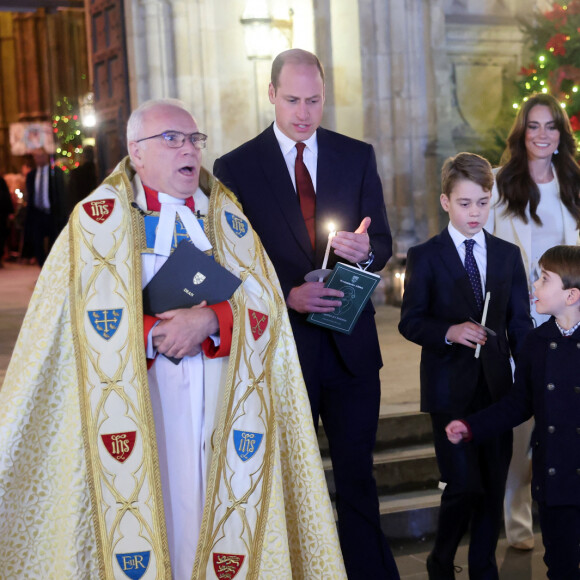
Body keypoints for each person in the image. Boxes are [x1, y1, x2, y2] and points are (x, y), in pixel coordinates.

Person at [0, 99, 346, 579]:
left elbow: (264, 304)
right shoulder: (95, 222)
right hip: (142, 403)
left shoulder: (227, 219)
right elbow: (65, 326)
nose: (189, 149)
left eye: (195, 139)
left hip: (220, 405)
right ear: (136, 153)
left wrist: (208, 323)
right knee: (156, 508)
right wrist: (154, 334)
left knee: (212, 508)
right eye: (173, 139)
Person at [214, 48, 398, 580]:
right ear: (270, 94)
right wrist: (287, 296)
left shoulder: (355, 155)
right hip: (284, 349)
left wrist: (367, 252)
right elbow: (230, 266)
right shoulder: (236, 168)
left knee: (358, 477)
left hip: (352, 350)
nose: (303, 111)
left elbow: (381, 239)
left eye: (314, 100)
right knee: (289, 477)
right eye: (292, 99)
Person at [398, 152, 533, 579]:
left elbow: (519, 323)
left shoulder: (509, 255)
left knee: (493, 486)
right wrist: (451, 331)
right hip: (447, 390)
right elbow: (410, 321)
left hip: (496, 389)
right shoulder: (425, 256)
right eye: (464, 203)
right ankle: (441, 557)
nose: (474, 213)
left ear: (491, 198)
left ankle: (482, 568)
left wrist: (532, 370)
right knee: (462, 484)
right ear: (445, 202)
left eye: (481, 202)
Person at [446, 244, 580, 579]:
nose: (533, 286)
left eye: (544, 280)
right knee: (561, 567)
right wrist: (470, 426)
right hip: (555, 481)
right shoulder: (536, 342)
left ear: (571, 295)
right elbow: (519, 402)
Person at [485, 93, 580, 551]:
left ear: (562, 135)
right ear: (522, 133)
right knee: (523, 424)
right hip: (517, 319)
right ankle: (518, 523)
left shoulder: (575, 184)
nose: (542, 135)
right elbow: (485, 250)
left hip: (569, 319)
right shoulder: (500, 184)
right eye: (534, 126)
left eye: (551, 126)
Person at [24, 147, 67, 266]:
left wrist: (63, 214)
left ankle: (52, 268)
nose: (38, 159)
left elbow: (62, 194)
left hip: (52, 213)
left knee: (54, 243)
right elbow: (30, 195)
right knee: (37, 243)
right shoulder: (31, 175)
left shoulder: (56, 172)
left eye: (40, 156)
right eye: (36, 157)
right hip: (37, 214)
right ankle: (43, 268)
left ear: (46, 156)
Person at [67, 144, 98, 209]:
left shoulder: (76, 173)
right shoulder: (98, 171)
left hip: (82, 208)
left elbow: (71, 196)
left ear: (83, 156)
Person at [0, 175, 14, 267]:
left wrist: (10, 211)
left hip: (1, 213)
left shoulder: (1, 181)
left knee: (1, 236)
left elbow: (7, 196)